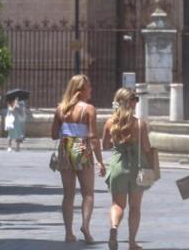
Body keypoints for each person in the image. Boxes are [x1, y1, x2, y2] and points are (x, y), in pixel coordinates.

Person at [51, 74, 105, 243]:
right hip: (81, 146)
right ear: (81, 90)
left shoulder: (61, 108)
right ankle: (86, 229)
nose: (91, 90)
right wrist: (100, 161)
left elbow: (53, 134)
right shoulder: (88, 109)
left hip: (65, 147)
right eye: (89, 87)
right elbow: (93, 137)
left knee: (68, 194)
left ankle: (68, 233)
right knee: (88, 193)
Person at [102, 88, 152, 250]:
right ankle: (132, 242)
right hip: (136, 169)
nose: (136, 102)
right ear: (130, 102)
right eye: (135, 99)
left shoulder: (110, 122)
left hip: (117, 167)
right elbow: (147, 148)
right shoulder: (140, 123)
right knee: (135, 207)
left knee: (117, 204)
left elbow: (105, 145)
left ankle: (114, 227)